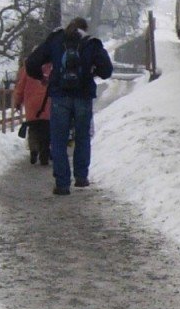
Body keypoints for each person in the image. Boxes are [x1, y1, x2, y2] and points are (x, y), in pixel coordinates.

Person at [25, 16, 114, 196]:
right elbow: (107, 71)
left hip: (60, 97)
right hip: (83, 97)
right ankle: (81, 177)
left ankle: (62, 184)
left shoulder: (56, 40)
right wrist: (92, 72)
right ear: (84, 29)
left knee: (58, 139)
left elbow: (31, 63)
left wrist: (41, 77)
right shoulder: (91, 43)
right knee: (82, 136)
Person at [13, 54, 52, 166]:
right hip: (48, 102)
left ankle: (34, 149)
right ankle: (44, 153)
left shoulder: (27, 68)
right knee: (46, 129)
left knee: (34, 128)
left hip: (31, 103)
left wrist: (17, 102)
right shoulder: (51, 67)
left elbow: (20, 87)